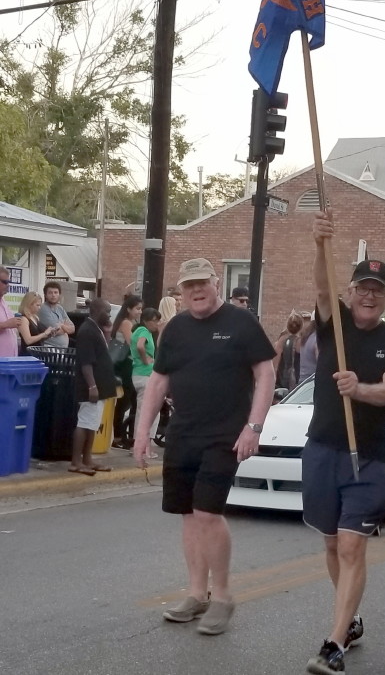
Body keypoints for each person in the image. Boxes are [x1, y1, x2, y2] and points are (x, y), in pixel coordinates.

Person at [133, 257, 275, 636]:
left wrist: (254, 427)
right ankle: (197, 594)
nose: (196, 291)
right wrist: (142, 431)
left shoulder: (241, 322)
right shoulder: (174, 329)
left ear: (216, 283)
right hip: (183, 433)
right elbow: (158, 382)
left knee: (208, 512)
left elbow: (265, 374)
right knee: (188, 514)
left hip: (225, 434)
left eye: (202, 283)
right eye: (188, 285)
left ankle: (223, 596)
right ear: (180, 292)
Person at [304, 210, 385, 675]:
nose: (368, 296)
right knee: (331, 545)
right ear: (351, 294)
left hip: (366, 458)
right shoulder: (335, 326)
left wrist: (359, 389)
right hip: (323, 449)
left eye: (377, 291)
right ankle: (350, 620)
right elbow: (322, 288)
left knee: (351, 546)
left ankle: (333, 645)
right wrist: (320, 243)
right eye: (362, 288)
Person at [70, 298, 117, 475]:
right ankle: (76, 462)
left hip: (101, 385)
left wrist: (107, 332)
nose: (109, 314)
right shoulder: (87, 331)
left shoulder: (96, 329)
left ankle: (87, 459)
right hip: (91, 386)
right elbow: (86, 362)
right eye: (107, 310)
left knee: (92, 423)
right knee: (84, 423)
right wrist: (92, 386)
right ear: (96, 311)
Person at [110, 296, 143, 449]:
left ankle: (121, 434)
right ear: (129, 309)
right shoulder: (126, 323)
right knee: (125, 400)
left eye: (141, 309)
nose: (139, 312)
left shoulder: (128, 322)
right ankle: (117, 436)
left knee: (127, 400)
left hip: (124, 364)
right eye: (137, 308)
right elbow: (132, 344)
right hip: (125, 365)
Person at [131, 308, 161, 458]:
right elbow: (140, 346)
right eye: (154, 321)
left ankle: (141, 445)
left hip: (138, 374)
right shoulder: (143, 331)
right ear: (145, 320)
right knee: (149, 412)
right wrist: (146, 360)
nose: (156, 324)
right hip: (145, 374)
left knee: (143, 410)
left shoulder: (137, 331)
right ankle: (143, 447)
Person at [38, 281, 75, 348]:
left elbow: (72, 328)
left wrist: (62, 325)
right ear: (45, 295)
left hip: (62, 349)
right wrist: (65, 329)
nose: (53, 295)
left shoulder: (60, 308)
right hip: (49, 348)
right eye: (50, 293)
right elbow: (55, 331)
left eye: (56, 292)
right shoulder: (43, 309)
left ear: (59, 294)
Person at [273, 312, 303, 390]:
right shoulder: (301, 342)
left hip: (282, 380)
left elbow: (275, 364)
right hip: (297, 380)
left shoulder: (281, 340)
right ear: (301, 326)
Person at [0, 266, 21, 356]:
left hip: (8, 360)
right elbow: (7, 324)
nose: (8, 285)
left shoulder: (3, 301)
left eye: (9, 282)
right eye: (5, 282)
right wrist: (6, 325)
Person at [299, 311, 318, 384]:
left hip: (302, 381)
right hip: (312, 382)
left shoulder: (306, 337)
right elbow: (320, 364)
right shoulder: (317, 339)